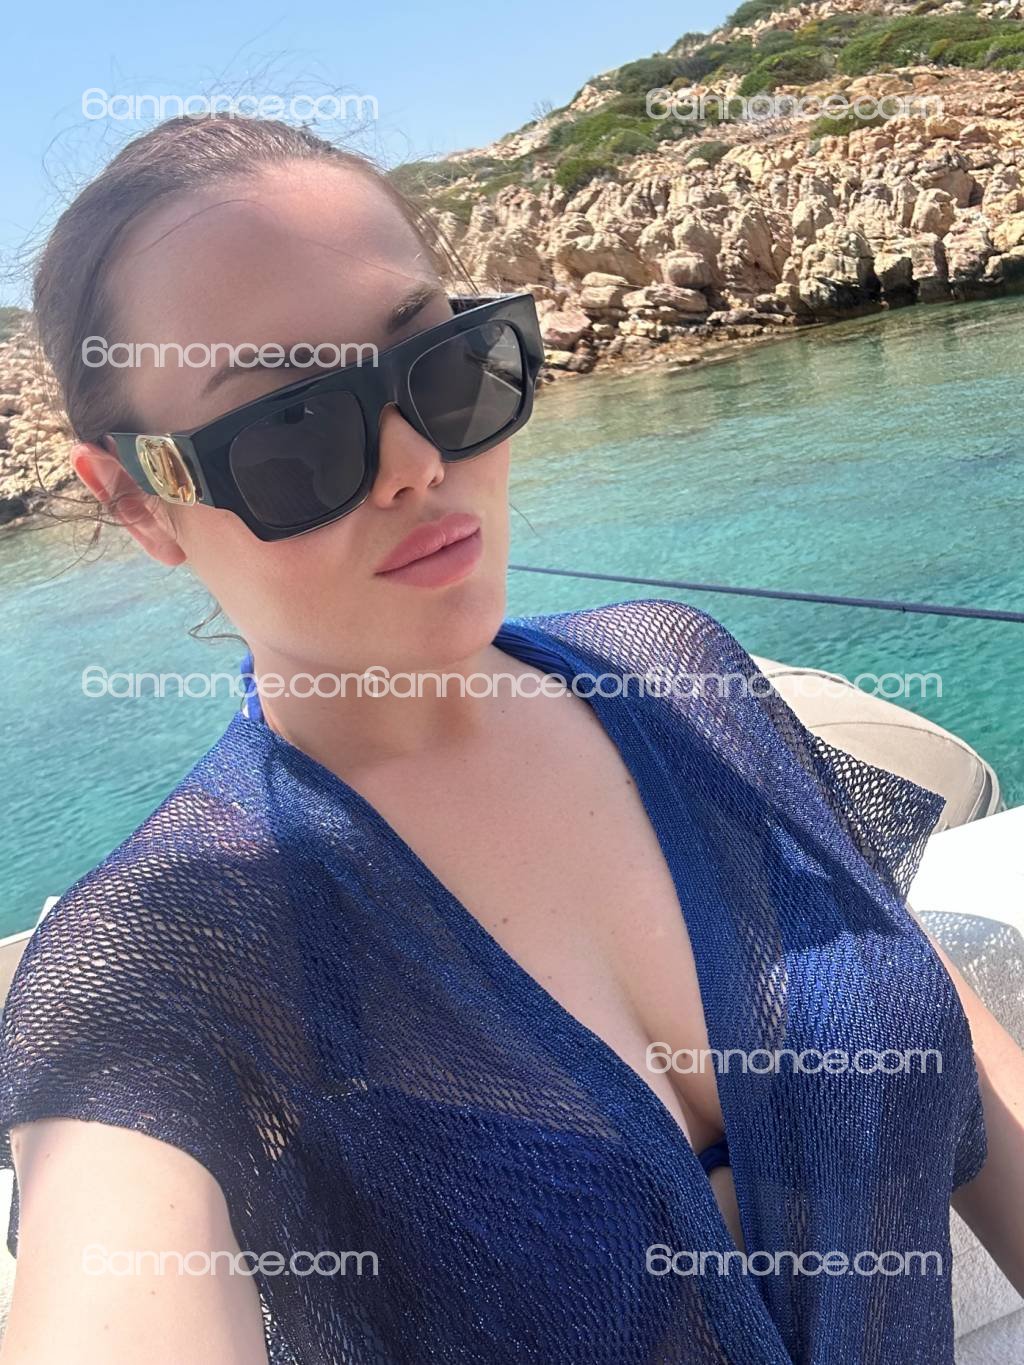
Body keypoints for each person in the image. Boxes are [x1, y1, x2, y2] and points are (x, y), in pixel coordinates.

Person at [0, 115, 1021, 1365]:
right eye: (289, 431)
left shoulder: (684, 682)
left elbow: (938, 1020)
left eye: (445, 366)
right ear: (139, 502)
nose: (415, 463)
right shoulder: (166, 954)